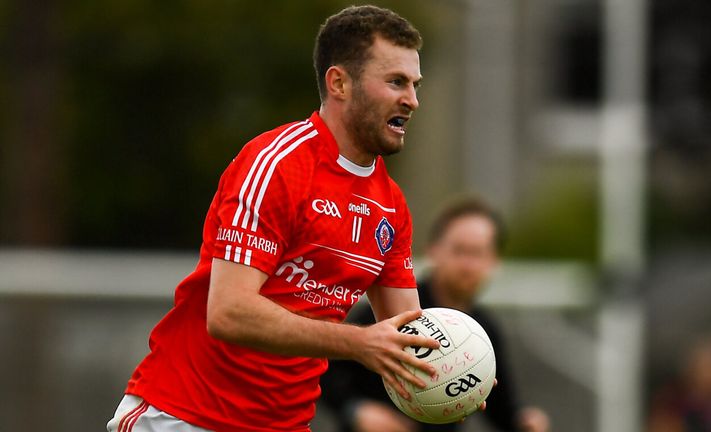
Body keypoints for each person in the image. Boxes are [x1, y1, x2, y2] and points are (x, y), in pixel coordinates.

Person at [106, 6, 457, 432]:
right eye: (396, 82)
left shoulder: (391, 206)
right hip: (184, 416)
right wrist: (358, 342)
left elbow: (407, 333)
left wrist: (458, 367)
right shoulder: (277, 165)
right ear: (339, 82)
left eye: (415, 85)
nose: (413, 100)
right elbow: (229, 312)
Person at [321, 198, 550, 432]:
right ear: (433, 250)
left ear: (494, 261)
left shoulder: (484, 331)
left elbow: (499, 405)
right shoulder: (393, 308)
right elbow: (325, 365)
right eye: (459, 251)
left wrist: (523, 421)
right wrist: (356, 410)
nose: (467, 265)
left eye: (478, 253)